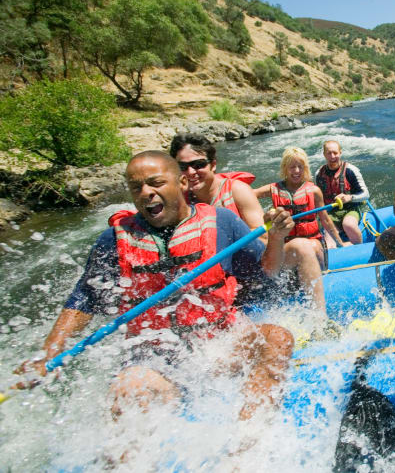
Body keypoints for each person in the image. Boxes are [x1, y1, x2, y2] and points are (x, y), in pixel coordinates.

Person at [15, 151, 295, 422]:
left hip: (220, 345)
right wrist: (48, 354)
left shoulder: (222, 221)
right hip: (156, 360)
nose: (146, 192)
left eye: (156, 183)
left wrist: (277, 238)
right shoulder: (113, 240)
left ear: (182, 183)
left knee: (277, 338)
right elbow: (83, 302)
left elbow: (266, 271)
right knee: (128, 389)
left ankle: (248, 445)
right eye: (136, 187)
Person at [255, 147, 344, 312]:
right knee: (295, 248)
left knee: (310, 247)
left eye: (300, 167)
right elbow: (248, 196)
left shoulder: (314, 191)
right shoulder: (273, 189)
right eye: (292, 167)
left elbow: (324, 219)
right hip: (287, 246)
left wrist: (340, 243)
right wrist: (260, 218)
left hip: (312, 242)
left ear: (305, 168)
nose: (296, 171)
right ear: (284, 168)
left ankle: (318, 279)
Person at [170, 133, 267, 242]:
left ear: (213, 165)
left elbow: (263, 236)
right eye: (182, 166)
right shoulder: (177, 199)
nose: (191, 172)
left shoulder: (238, 191)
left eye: (199, 164)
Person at [315, 140, 369, 246]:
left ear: (340, 153)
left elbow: (366, 194)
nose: (332, 156)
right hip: (330, 213)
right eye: (329, 153)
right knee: (329, 241)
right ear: (324, 154)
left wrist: (350, 197)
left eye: (335, 153)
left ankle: (360, 248)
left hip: (350, 209)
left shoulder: (350, 170)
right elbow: (318, 198)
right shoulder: (319, 173)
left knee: (348, 225)